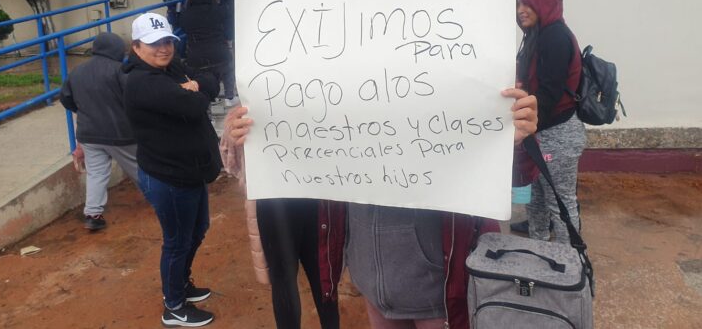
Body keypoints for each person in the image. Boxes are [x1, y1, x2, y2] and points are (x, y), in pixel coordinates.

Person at [223, 88, 538, 328]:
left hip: (438, 286)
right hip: (371, 277)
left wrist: (517, 140)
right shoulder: (336, 79)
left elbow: (515, 175)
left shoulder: (463, 73)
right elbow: (300, 152)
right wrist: (253, 134)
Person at [218, 0, 342, 329]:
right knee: (284, 281)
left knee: (325, 281)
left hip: (323, 197)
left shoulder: (337, 73)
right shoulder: (255, 77)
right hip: (276, 201)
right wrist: (234, 134)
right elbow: (231, 159)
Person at [123, 12, 221, 327]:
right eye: (154, 44)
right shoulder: (142, 81)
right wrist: (194, 90)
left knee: (198, 230)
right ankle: (174, 306)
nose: (163, 48)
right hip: (169, 178)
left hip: (188, 172)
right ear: (136, 47)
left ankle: (182, 284)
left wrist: (195, 86)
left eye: (167, 41)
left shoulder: (170, 68)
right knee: (177, 241)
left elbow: (212, 80)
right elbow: (194, 106)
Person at [514, 0, 585, 244]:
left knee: (559, 201)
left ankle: (570, 264)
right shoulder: (536, 36)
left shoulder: (554, 37)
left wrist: (521, 130)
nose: (521, 10)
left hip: (556, 134)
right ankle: (540, 256)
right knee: (535, 200)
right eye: (519, 3)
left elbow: (549, 95)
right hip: (538, 132)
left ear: (543, 2)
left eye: (528, 3)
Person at [59, 32, 138, 231]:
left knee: (96, 174)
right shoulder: (120, 70)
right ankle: (162, 200)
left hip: (88, 133)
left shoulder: (77, 71)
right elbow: (134, 98)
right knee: (140, 167)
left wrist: (84, 110)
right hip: (120, 132)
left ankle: (93, 214)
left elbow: (65, 99)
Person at [180, 0, 237, 106]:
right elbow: (231, 10)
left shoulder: (186, 14)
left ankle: (208, 105)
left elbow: (183, 28)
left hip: (196, 58)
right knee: (228, 70)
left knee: (202, 80)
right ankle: (229, 96)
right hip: (219, 53)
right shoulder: (217, 10)